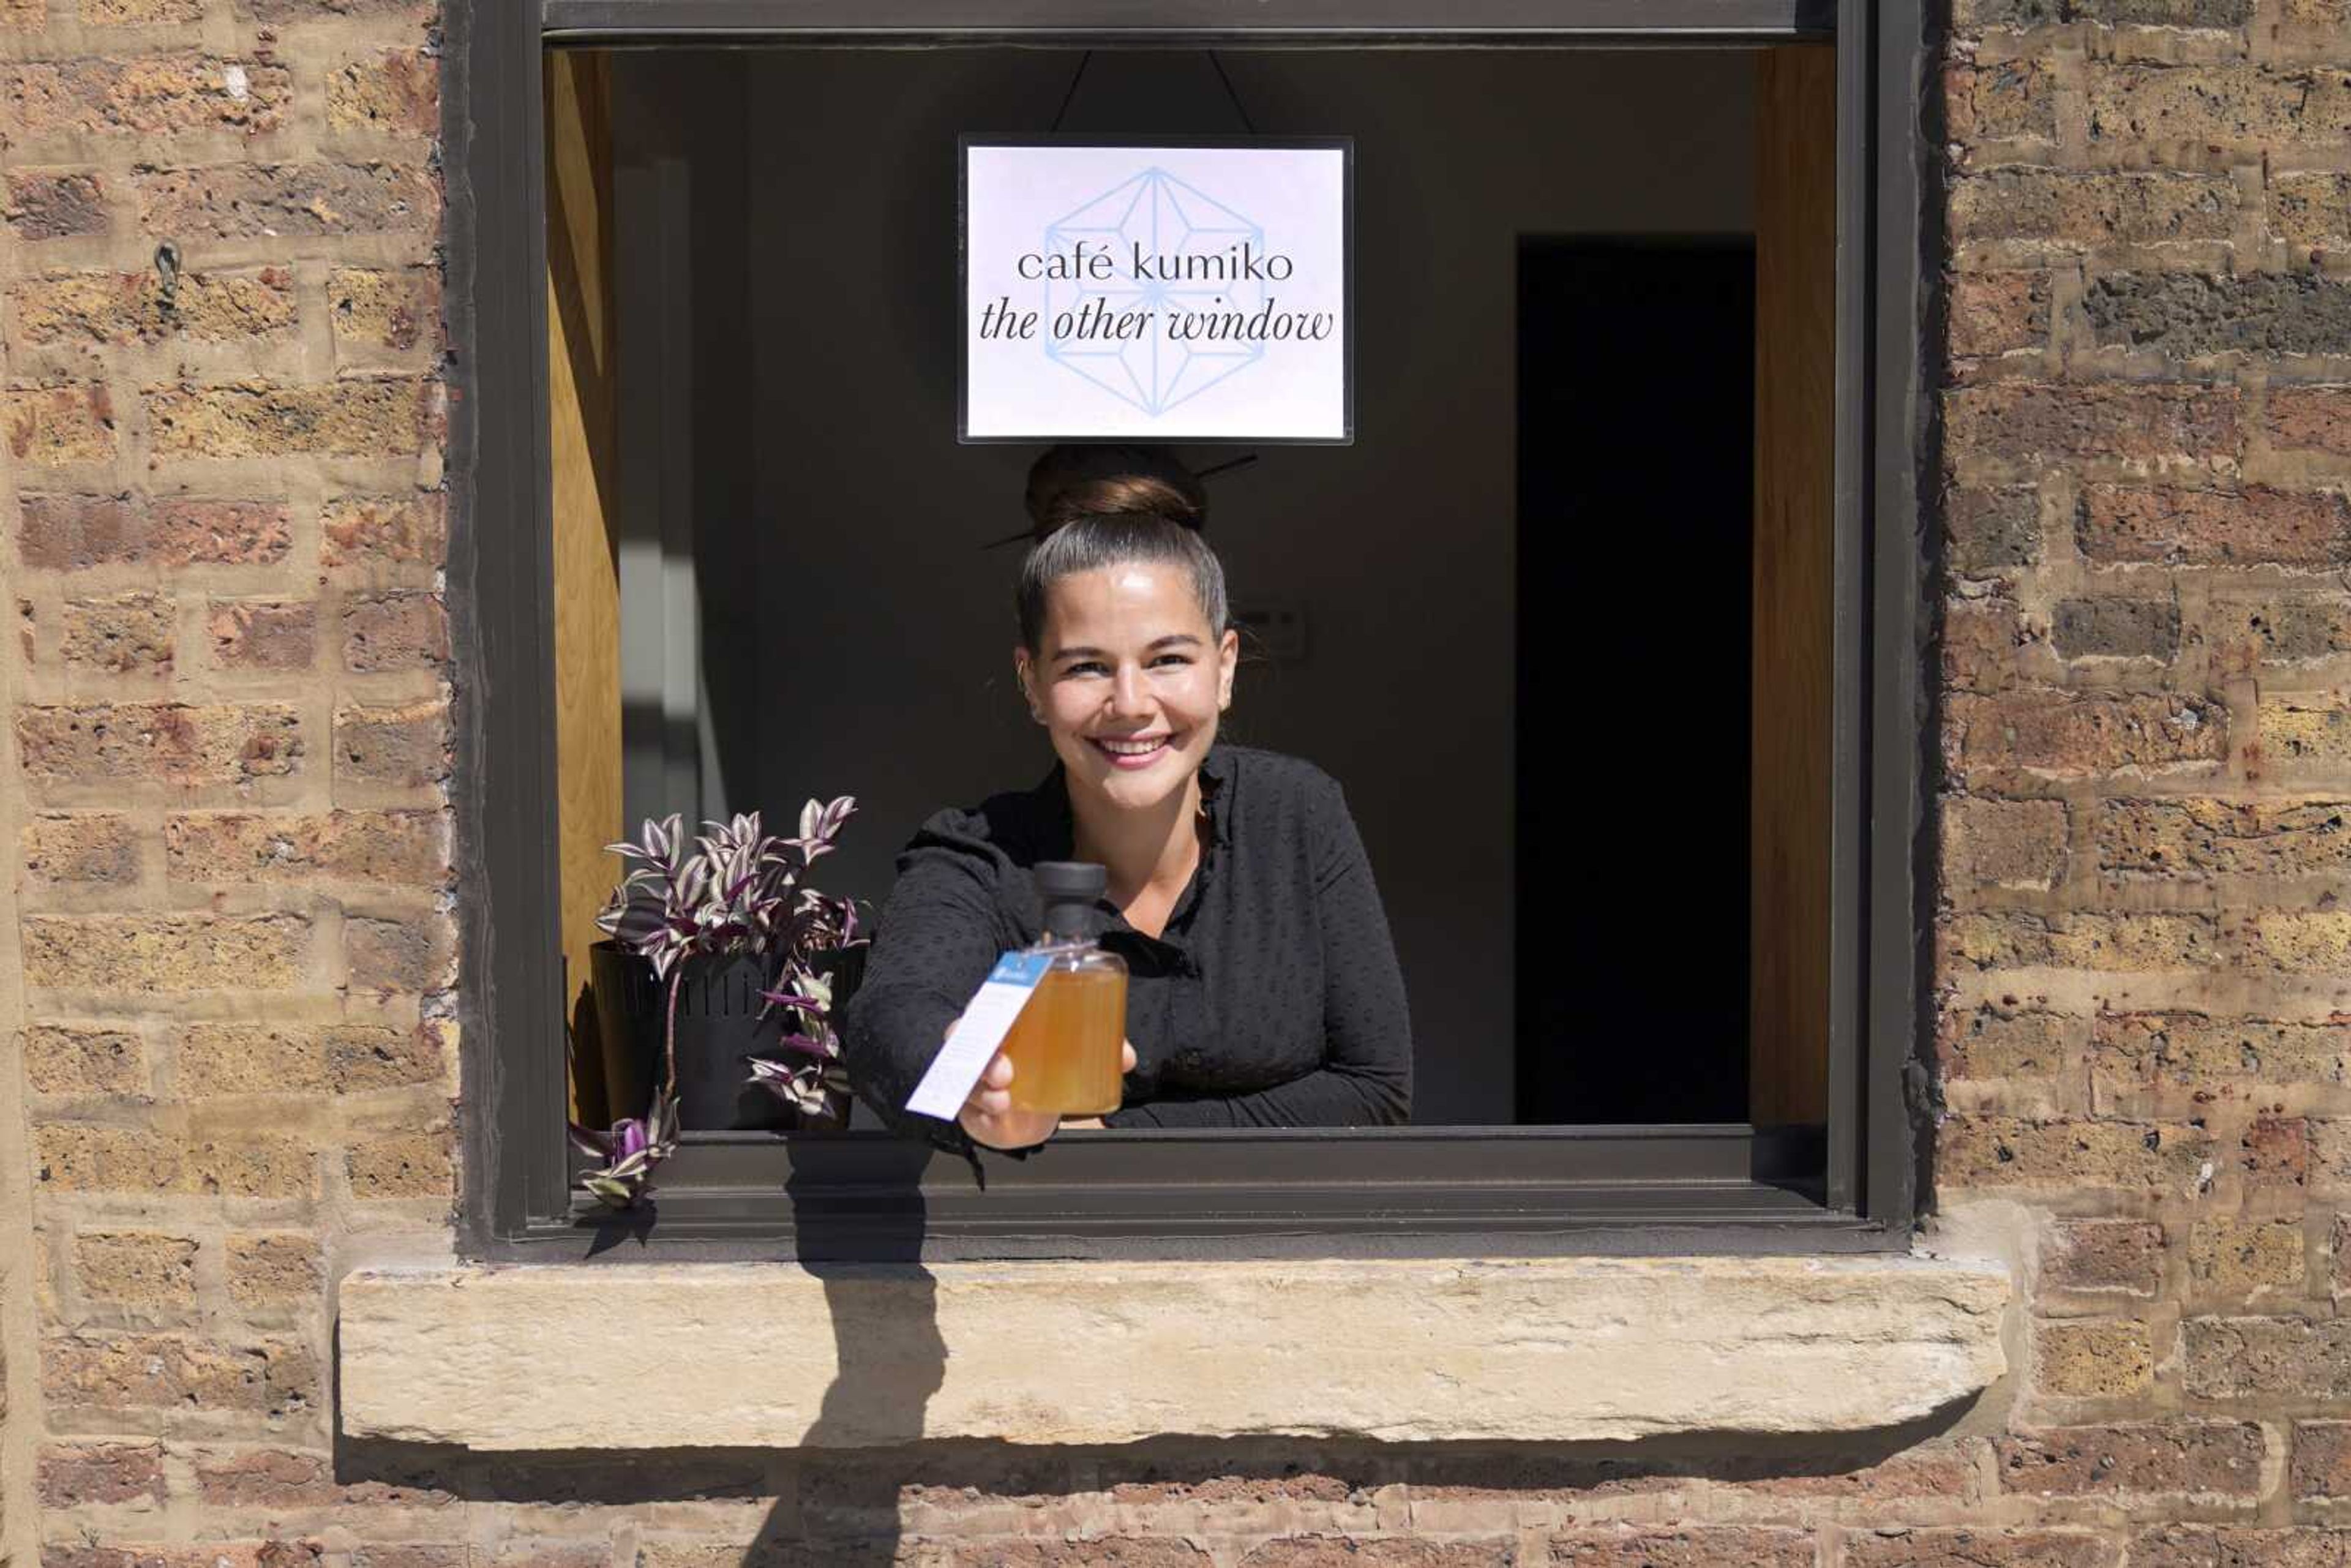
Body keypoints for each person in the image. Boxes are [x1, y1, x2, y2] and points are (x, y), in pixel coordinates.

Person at [841, 445, 1412, 1152]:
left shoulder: (1296, 813)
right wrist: (969, 1077)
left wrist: (1108, 1131)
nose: (1133, 704)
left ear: (1225, 667)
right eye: (1087, 667)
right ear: (1032, 684)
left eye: (1169, 659)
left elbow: (1374, 1088)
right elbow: (890, 1014)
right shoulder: (977, 854)